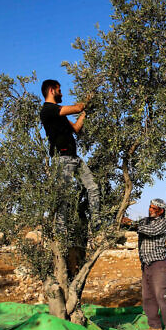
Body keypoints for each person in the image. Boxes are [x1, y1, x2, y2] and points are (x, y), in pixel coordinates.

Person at [39, 79, 100, 233]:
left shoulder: (59, 113)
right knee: (64, 195)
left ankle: (96, 220)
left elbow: (76, 128)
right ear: (52, 90)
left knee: (92, 187)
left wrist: (84, 113)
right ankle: (60, 229)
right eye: (59, 90)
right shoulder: (48, 109)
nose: (62, 93)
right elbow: (78, 107)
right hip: (62, 158)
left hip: (75, 158)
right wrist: (87, 100)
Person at [122, 199, 166, 330]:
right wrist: (121, 220)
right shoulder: (145, 221)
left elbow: (150, 231)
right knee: (148, 297)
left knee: (161, 296)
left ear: (161, 211)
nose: (151, 210)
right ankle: (155, 326)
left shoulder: (162, 223)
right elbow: (135, 227)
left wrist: (131, 223)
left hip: (159, 265)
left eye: (154, 208)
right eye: (150, 207)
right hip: (146, 264)